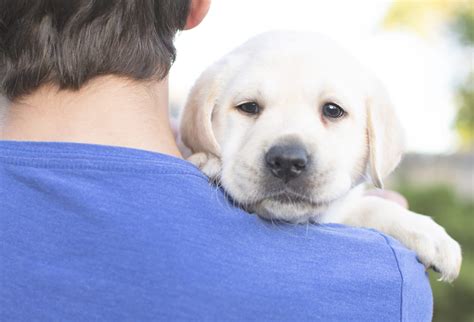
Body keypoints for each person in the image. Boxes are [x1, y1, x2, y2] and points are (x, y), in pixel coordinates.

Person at [0, 1, 432, 321]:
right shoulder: (381, 284)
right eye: (249, 107)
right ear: (195, 7)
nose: (287, 154)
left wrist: (364, 214)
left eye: (333, 112)